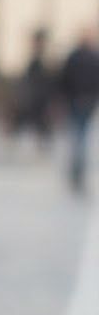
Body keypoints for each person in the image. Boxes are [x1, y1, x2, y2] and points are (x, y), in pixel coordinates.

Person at [59, 27, 99, 192]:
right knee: (81, 136)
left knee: (76, 135)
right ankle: (78, 169)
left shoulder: (75, 57)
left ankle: (76, 169)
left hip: (76, 101)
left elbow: (64, 80)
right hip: (85, 101)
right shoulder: (92, 58)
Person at [11, 28, 55, 150]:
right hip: (34, 98)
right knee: (34, 123)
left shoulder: (44, 60)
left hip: (41, 98)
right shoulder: (36, 60)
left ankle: (40, 146)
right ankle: (37, 146)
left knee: (41, 124)